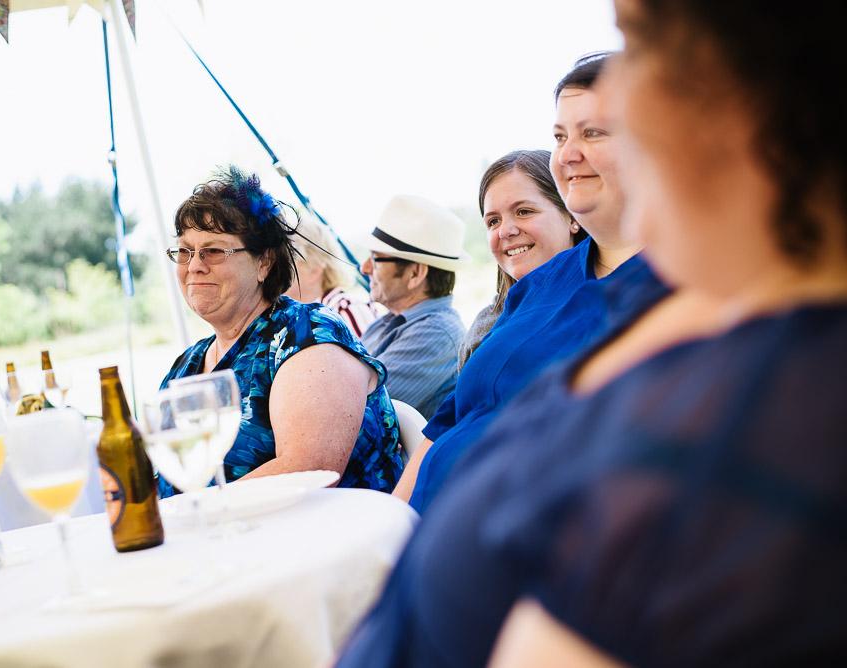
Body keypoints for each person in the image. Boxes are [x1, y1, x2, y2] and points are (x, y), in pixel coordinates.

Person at [337, 0, 847, 665]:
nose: (627, 105)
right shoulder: (601, 307)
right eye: (560, 135)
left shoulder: (759, 405)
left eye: (644, 47)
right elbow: (451, 430)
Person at [394, 52, 653, 512]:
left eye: (592, 132)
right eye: (559, 136)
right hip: (423, 532)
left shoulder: (680, 287)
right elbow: (447, 424)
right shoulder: (538, 287)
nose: (569, 154)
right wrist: (391, 520)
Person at [158, 166, 402, 494]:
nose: (194, 265)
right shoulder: (187, 364)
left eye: (213, 251)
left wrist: (191, 517)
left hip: (322, 537)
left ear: (264, 263)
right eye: (185, 251)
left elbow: (308, 470)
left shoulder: (306, 334)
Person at [457, 149, 586, 370]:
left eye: (524, 211)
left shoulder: (605, 307)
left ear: (573, 217)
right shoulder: (485, 325)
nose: (504, 231)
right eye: (493, 221)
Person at [358, 194, 470, 420]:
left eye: (376, 258)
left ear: (416, 273)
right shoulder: (388, 322)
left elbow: (354, 407)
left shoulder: (436, 333)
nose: (364, 268)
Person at [285, 214, 378, 338]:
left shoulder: (346, 311)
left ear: (314, 269)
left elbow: (371, 356)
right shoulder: (296, 318)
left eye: (286, 263)